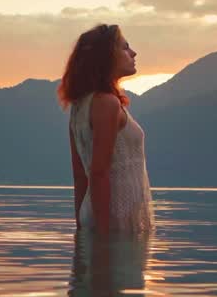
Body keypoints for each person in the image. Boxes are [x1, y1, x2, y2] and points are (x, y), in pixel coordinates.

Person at [57, 23, 155, 233]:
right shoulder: (107, 103)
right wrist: (104, 240)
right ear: (107, 56)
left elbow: (80, 175)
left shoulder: (79, 107)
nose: (133, 52)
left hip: (97, 220)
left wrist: (81, 229)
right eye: (125, 47)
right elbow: (98, 173)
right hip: (115, 224)